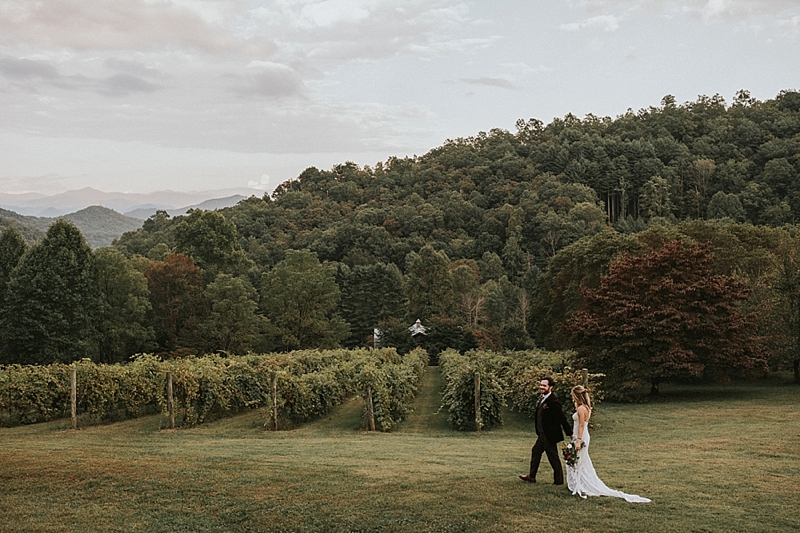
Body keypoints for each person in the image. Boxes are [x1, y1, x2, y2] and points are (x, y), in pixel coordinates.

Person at [566, 385, 651, 503]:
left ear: (576, 395)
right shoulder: (587, 407)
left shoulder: (581, 409)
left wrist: (578, 440)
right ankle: (578, 481)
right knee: (581, 460)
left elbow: (581, 425)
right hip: (582, 435)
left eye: (573, 395)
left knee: (578, 460)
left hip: (581, 436)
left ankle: (581, 483)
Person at [519, 377, 572, 485]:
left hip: (549, 435)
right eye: (541, 385)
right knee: (536, 451)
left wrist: (569, 433)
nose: (541, 387)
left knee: (553, 457)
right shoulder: (543, 398)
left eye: (544, 385)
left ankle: (558, 481)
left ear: (550, 387)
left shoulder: (553, 401)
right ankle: (532, 477)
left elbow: (561, 418)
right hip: (542, 434)